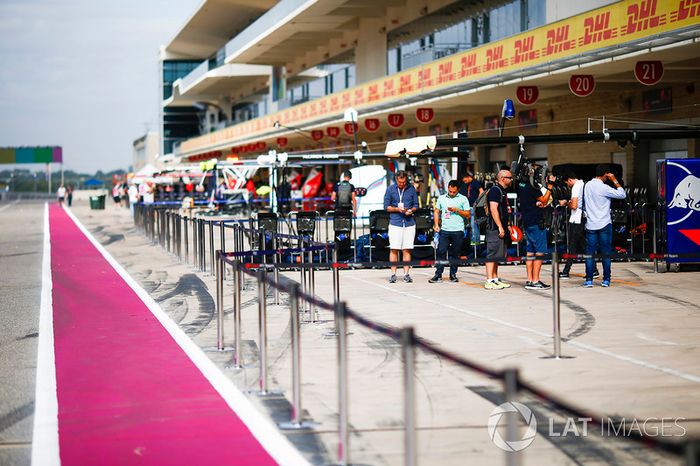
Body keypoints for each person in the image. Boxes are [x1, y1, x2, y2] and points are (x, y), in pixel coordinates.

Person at [582, 165, 627, 288]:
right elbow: (622, 194)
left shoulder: (587, 186)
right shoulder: (604, 187)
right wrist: (614, 180)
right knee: (605, 252)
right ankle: (606, 279)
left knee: (590, 253)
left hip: (591, 224)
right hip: (604, 224)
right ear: (605, 174)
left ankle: (589, 280)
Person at [517, 167, 554, 290]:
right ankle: (535, 280)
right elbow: (544, 199)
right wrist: (550, 186)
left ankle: (529, 279)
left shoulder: (521, 185)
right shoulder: (532, 187)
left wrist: (537, 203)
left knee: (530, 251)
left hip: (527, 221)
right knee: (539, 252)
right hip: (536, 222)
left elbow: (535, 201)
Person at [558, 171, 598, 279]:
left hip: (576, 219)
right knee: (584, 246)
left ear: (570, 180)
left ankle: (566, 271)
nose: (568, 185)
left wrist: (566, 202)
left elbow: (574, 205)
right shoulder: (585, 184)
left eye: (567, 183)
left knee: (572, 246)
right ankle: (593, 270)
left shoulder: (576, 187)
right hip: (584, 218)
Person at [429, 180, 470, 283]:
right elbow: (437, 211)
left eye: (454, 192)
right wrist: (436, 225)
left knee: (455, 253)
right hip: (445, 230)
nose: (451, 193)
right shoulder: (442, 198)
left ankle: (453, 274)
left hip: (458, 230)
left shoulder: (463, 199)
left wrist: (457, 210)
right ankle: (438, 274)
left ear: (458, 190)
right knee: (441, 251)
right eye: (450, 191)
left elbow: (468, 214)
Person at [383, 170, 419, 283]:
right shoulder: (390, 189)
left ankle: (406, 274)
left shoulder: (411, 189)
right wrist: (397, 209)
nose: (402, 184)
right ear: (396, 180)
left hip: (409, 223)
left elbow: (416, 205)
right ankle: (393, 274)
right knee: (394, 249)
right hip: (395, 222)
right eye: (400, 182)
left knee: (406, 249)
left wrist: (411, 210)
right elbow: (386, 207)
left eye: (403, 182)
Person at [484, 170, 513, 290]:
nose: (511, 180)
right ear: (502, 178)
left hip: (501, 227)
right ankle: (489, 280)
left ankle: (495, 279)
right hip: (494, 228)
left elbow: (504, 210)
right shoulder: (495, 190)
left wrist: (508, 225)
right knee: (492, 254)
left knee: (497, 254)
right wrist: (500, 227)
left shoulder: (502, 190)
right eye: (509, 177)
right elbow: (493, 209)